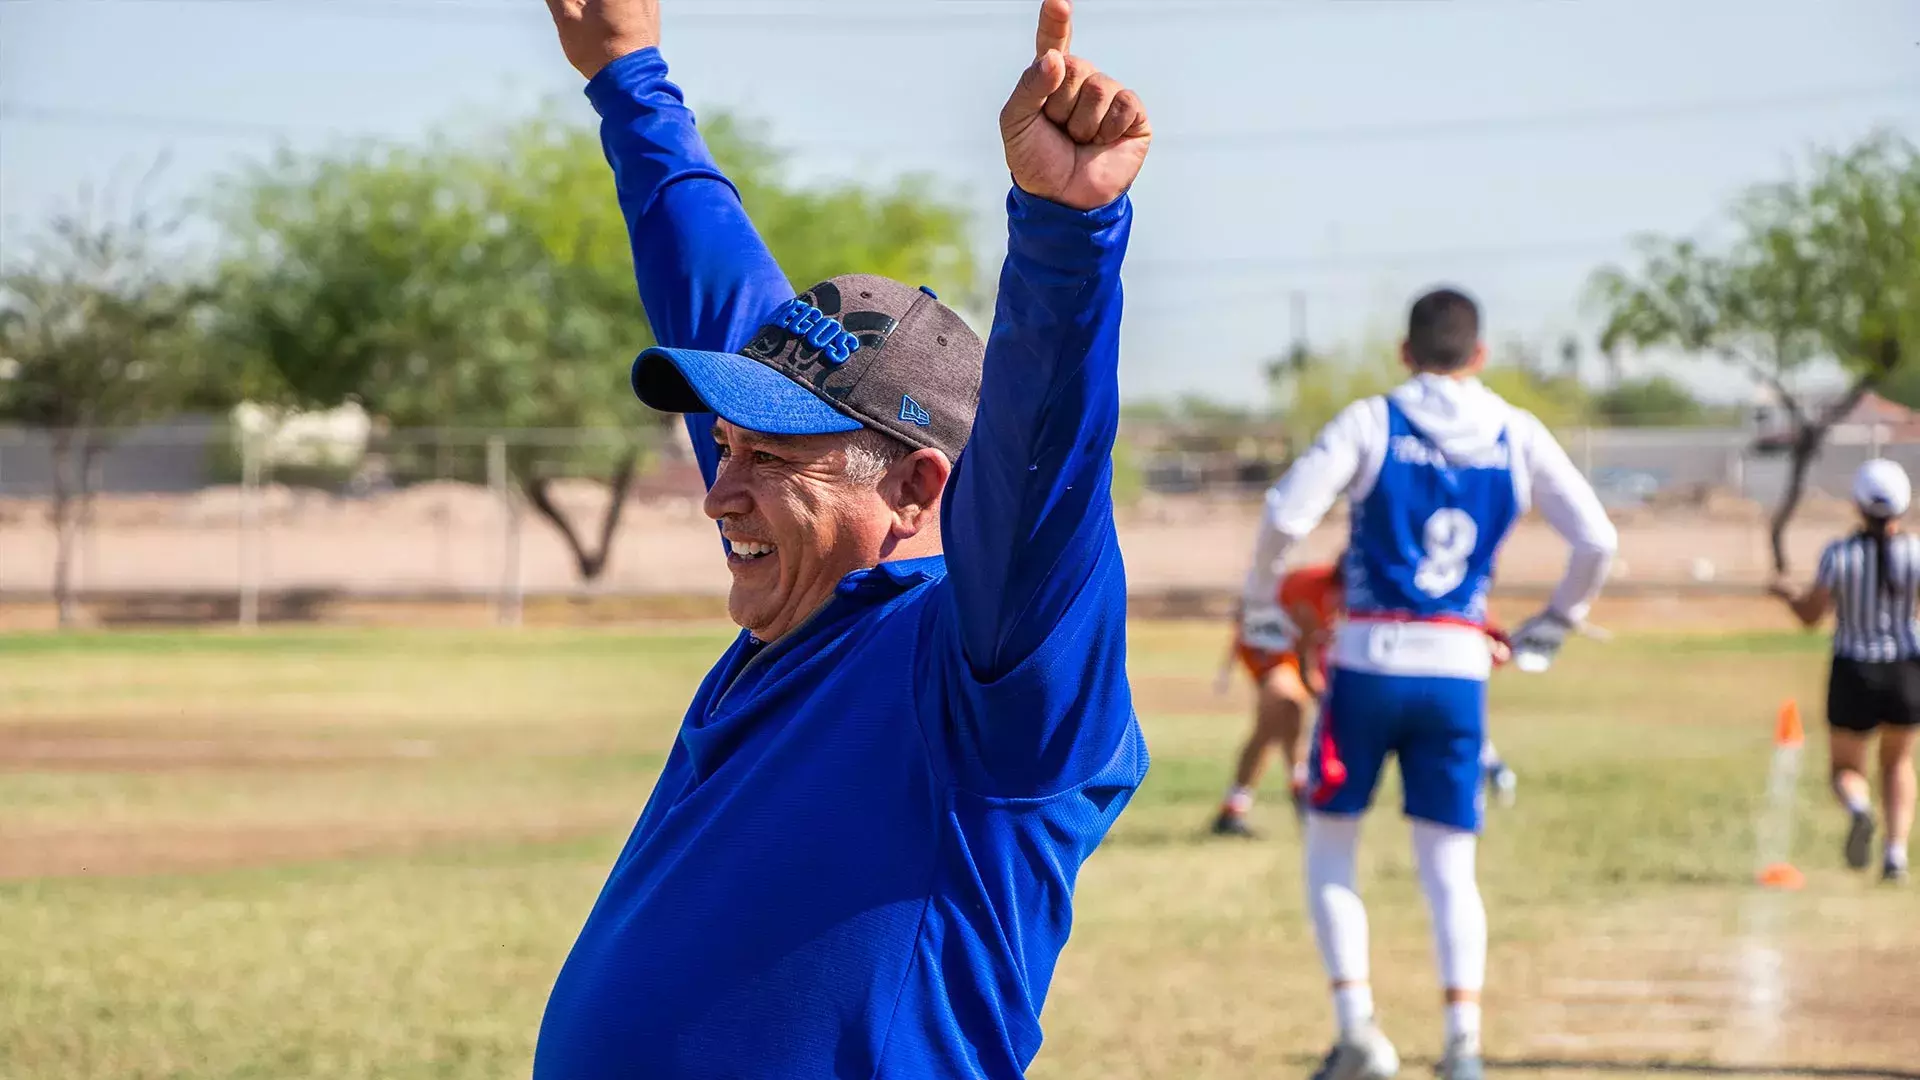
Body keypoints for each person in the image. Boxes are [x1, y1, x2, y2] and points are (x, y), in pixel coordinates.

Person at [531, 1, 1153, 1076]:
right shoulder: (812, 592)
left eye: (767, 458)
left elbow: (1042, 477)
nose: (720, 493)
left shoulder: (987, 680)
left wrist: (1066, 234)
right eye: (723, 445)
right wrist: (629, 76)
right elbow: (711, 289)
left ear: (917, 487)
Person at [1243, 287, 1617, 1080]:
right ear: (1478, 356)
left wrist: (1260, 603)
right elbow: (1597, 538)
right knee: (1451, 866)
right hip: (1458, 672)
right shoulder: (1517, 431)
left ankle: (1359, 1033)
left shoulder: (1373, 420)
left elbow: (1285, 510)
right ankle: (1463, 1045)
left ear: (1406, 353)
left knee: (1330, 846)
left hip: (1367, 664)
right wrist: (1553, 625)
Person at [1770, 458, 1919, 884]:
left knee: (1845, 769)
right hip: (1907, 669)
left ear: (1857, 504)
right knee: (1897, 762)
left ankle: (1859, 808)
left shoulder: (1839, 555)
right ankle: (1895, 855)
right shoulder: (1916, 552)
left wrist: (1784, 593)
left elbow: (1810, 616)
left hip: (1854, 668)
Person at [1214, 557, 1346, 836]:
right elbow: (1307, 661)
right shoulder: (1313, 592)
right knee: (1288, 705)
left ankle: (1235, 807)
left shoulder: (1343, 596)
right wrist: (1329, 699)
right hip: (1265, 641)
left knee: (1272, 725)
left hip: (1286, 646)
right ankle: (1300, 789)